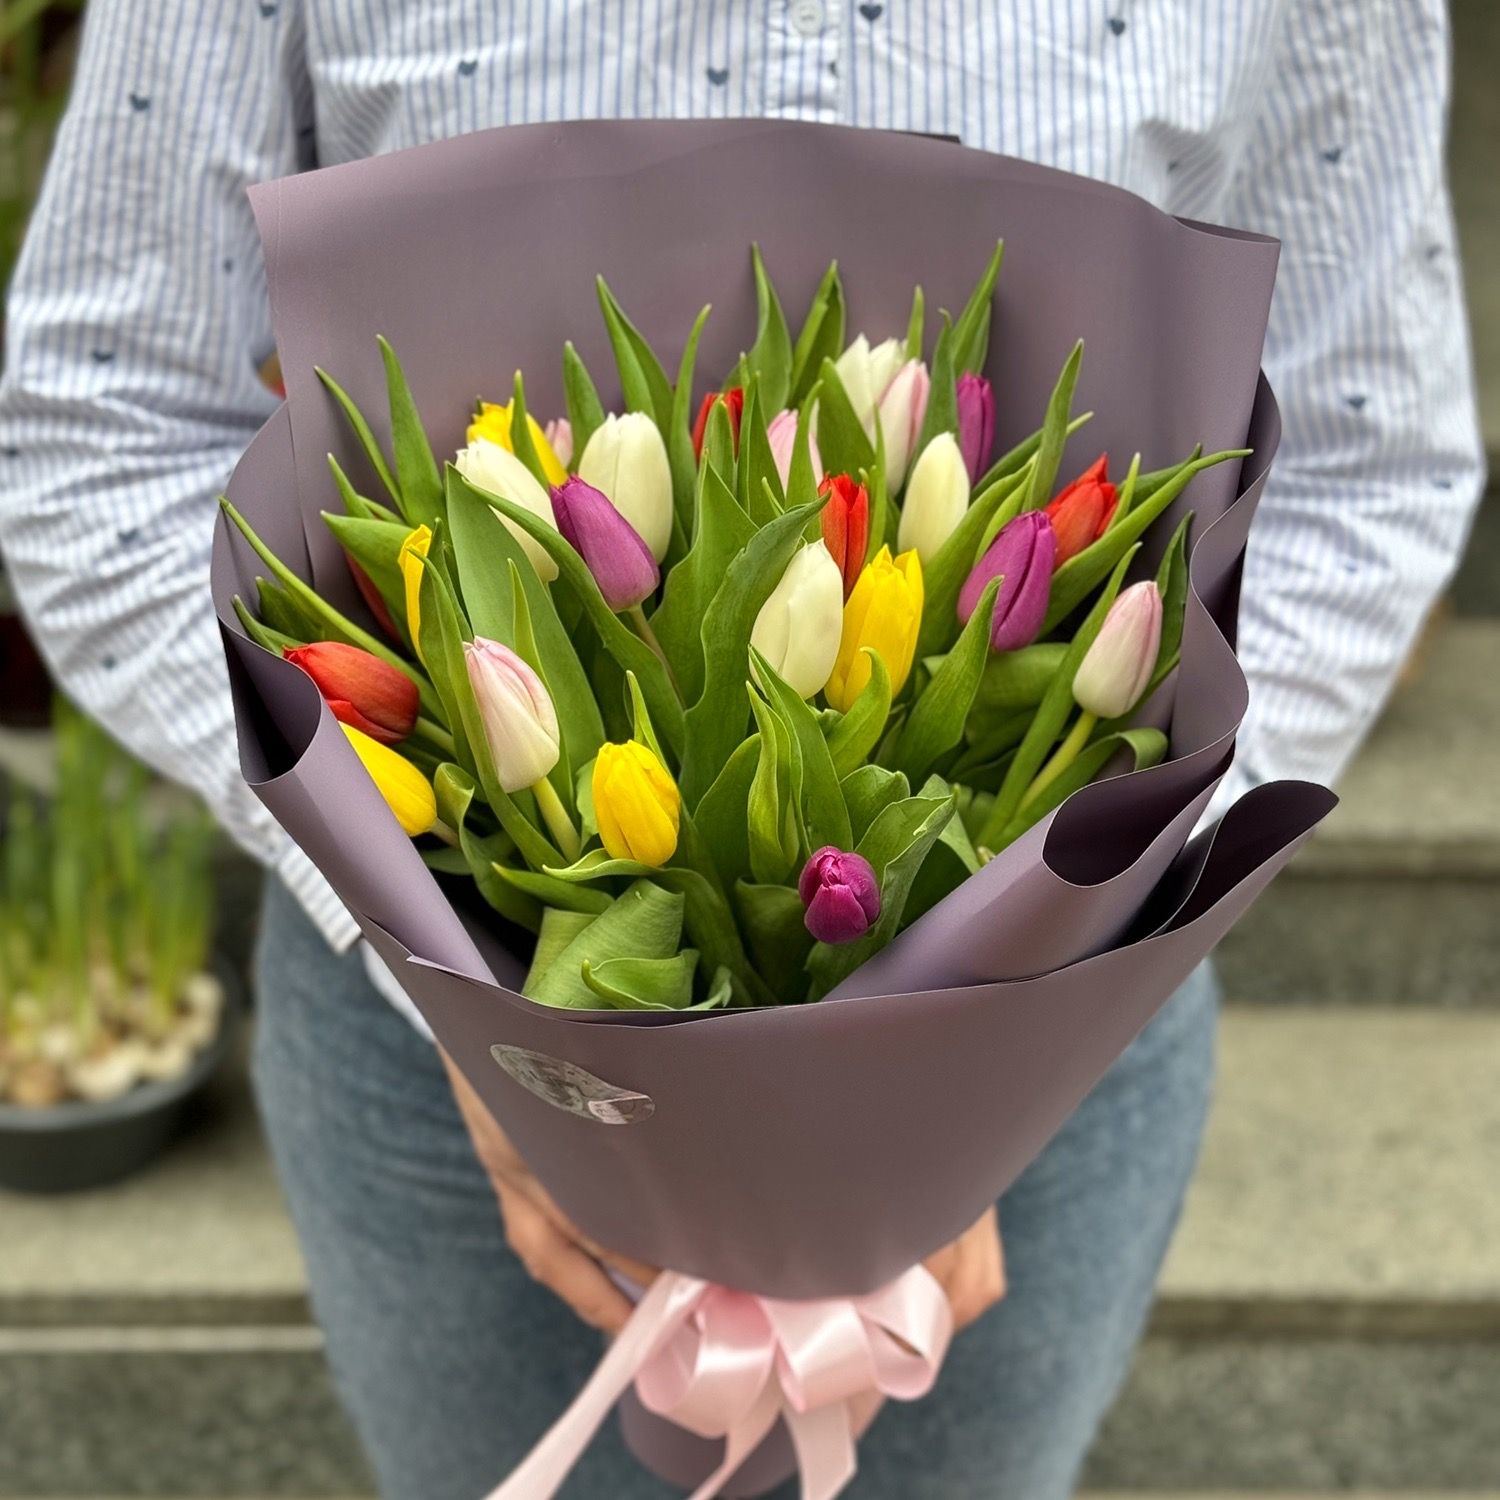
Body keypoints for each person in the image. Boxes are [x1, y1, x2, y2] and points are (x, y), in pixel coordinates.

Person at [0, 3, 1483, 1496]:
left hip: (1048, 1103)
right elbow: (100, 427)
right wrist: (485, 1017)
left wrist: (1054, 983)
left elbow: (1370, 462)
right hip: (443, 1068)